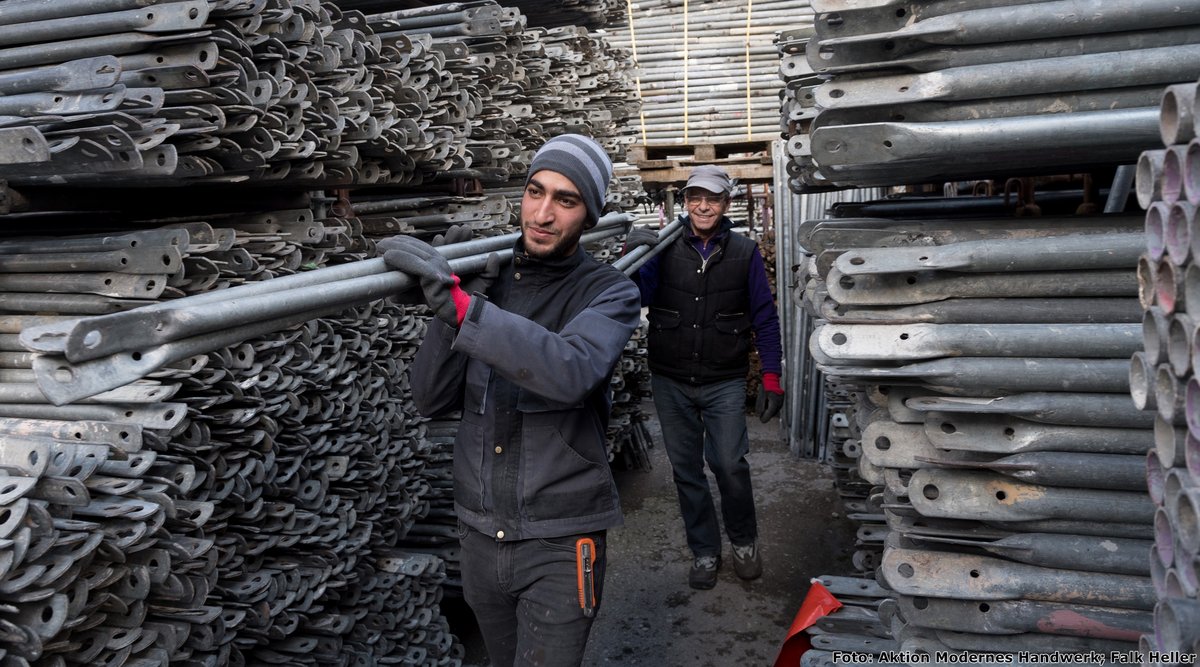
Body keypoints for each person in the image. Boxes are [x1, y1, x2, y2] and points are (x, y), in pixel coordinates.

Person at [380, 134, 642, 666]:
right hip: (480, 534)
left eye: (566, 201)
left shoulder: (609, 292)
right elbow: (429, 397)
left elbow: (571, 372)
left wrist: (462, 309)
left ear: (589, 216)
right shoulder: (490, 281)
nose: (543, 214)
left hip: (560, 544)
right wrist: (458, 302)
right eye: (535, 191)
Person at [624, 164, 784, 590]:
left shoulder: (744, 253)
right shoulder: (666, 246)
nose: (703, 205)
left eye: (712, 198)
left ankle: (744, 542)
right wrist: (635, 254)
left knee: (729, 464)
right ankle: (705, 551)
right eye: (695, 197)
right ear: (685, 201)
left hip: (724, 380)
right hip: (671, 379)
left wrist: (772, 377)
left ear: (725, 204)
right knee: (686, 471)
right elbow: (637, 296)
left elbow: (765, 319)